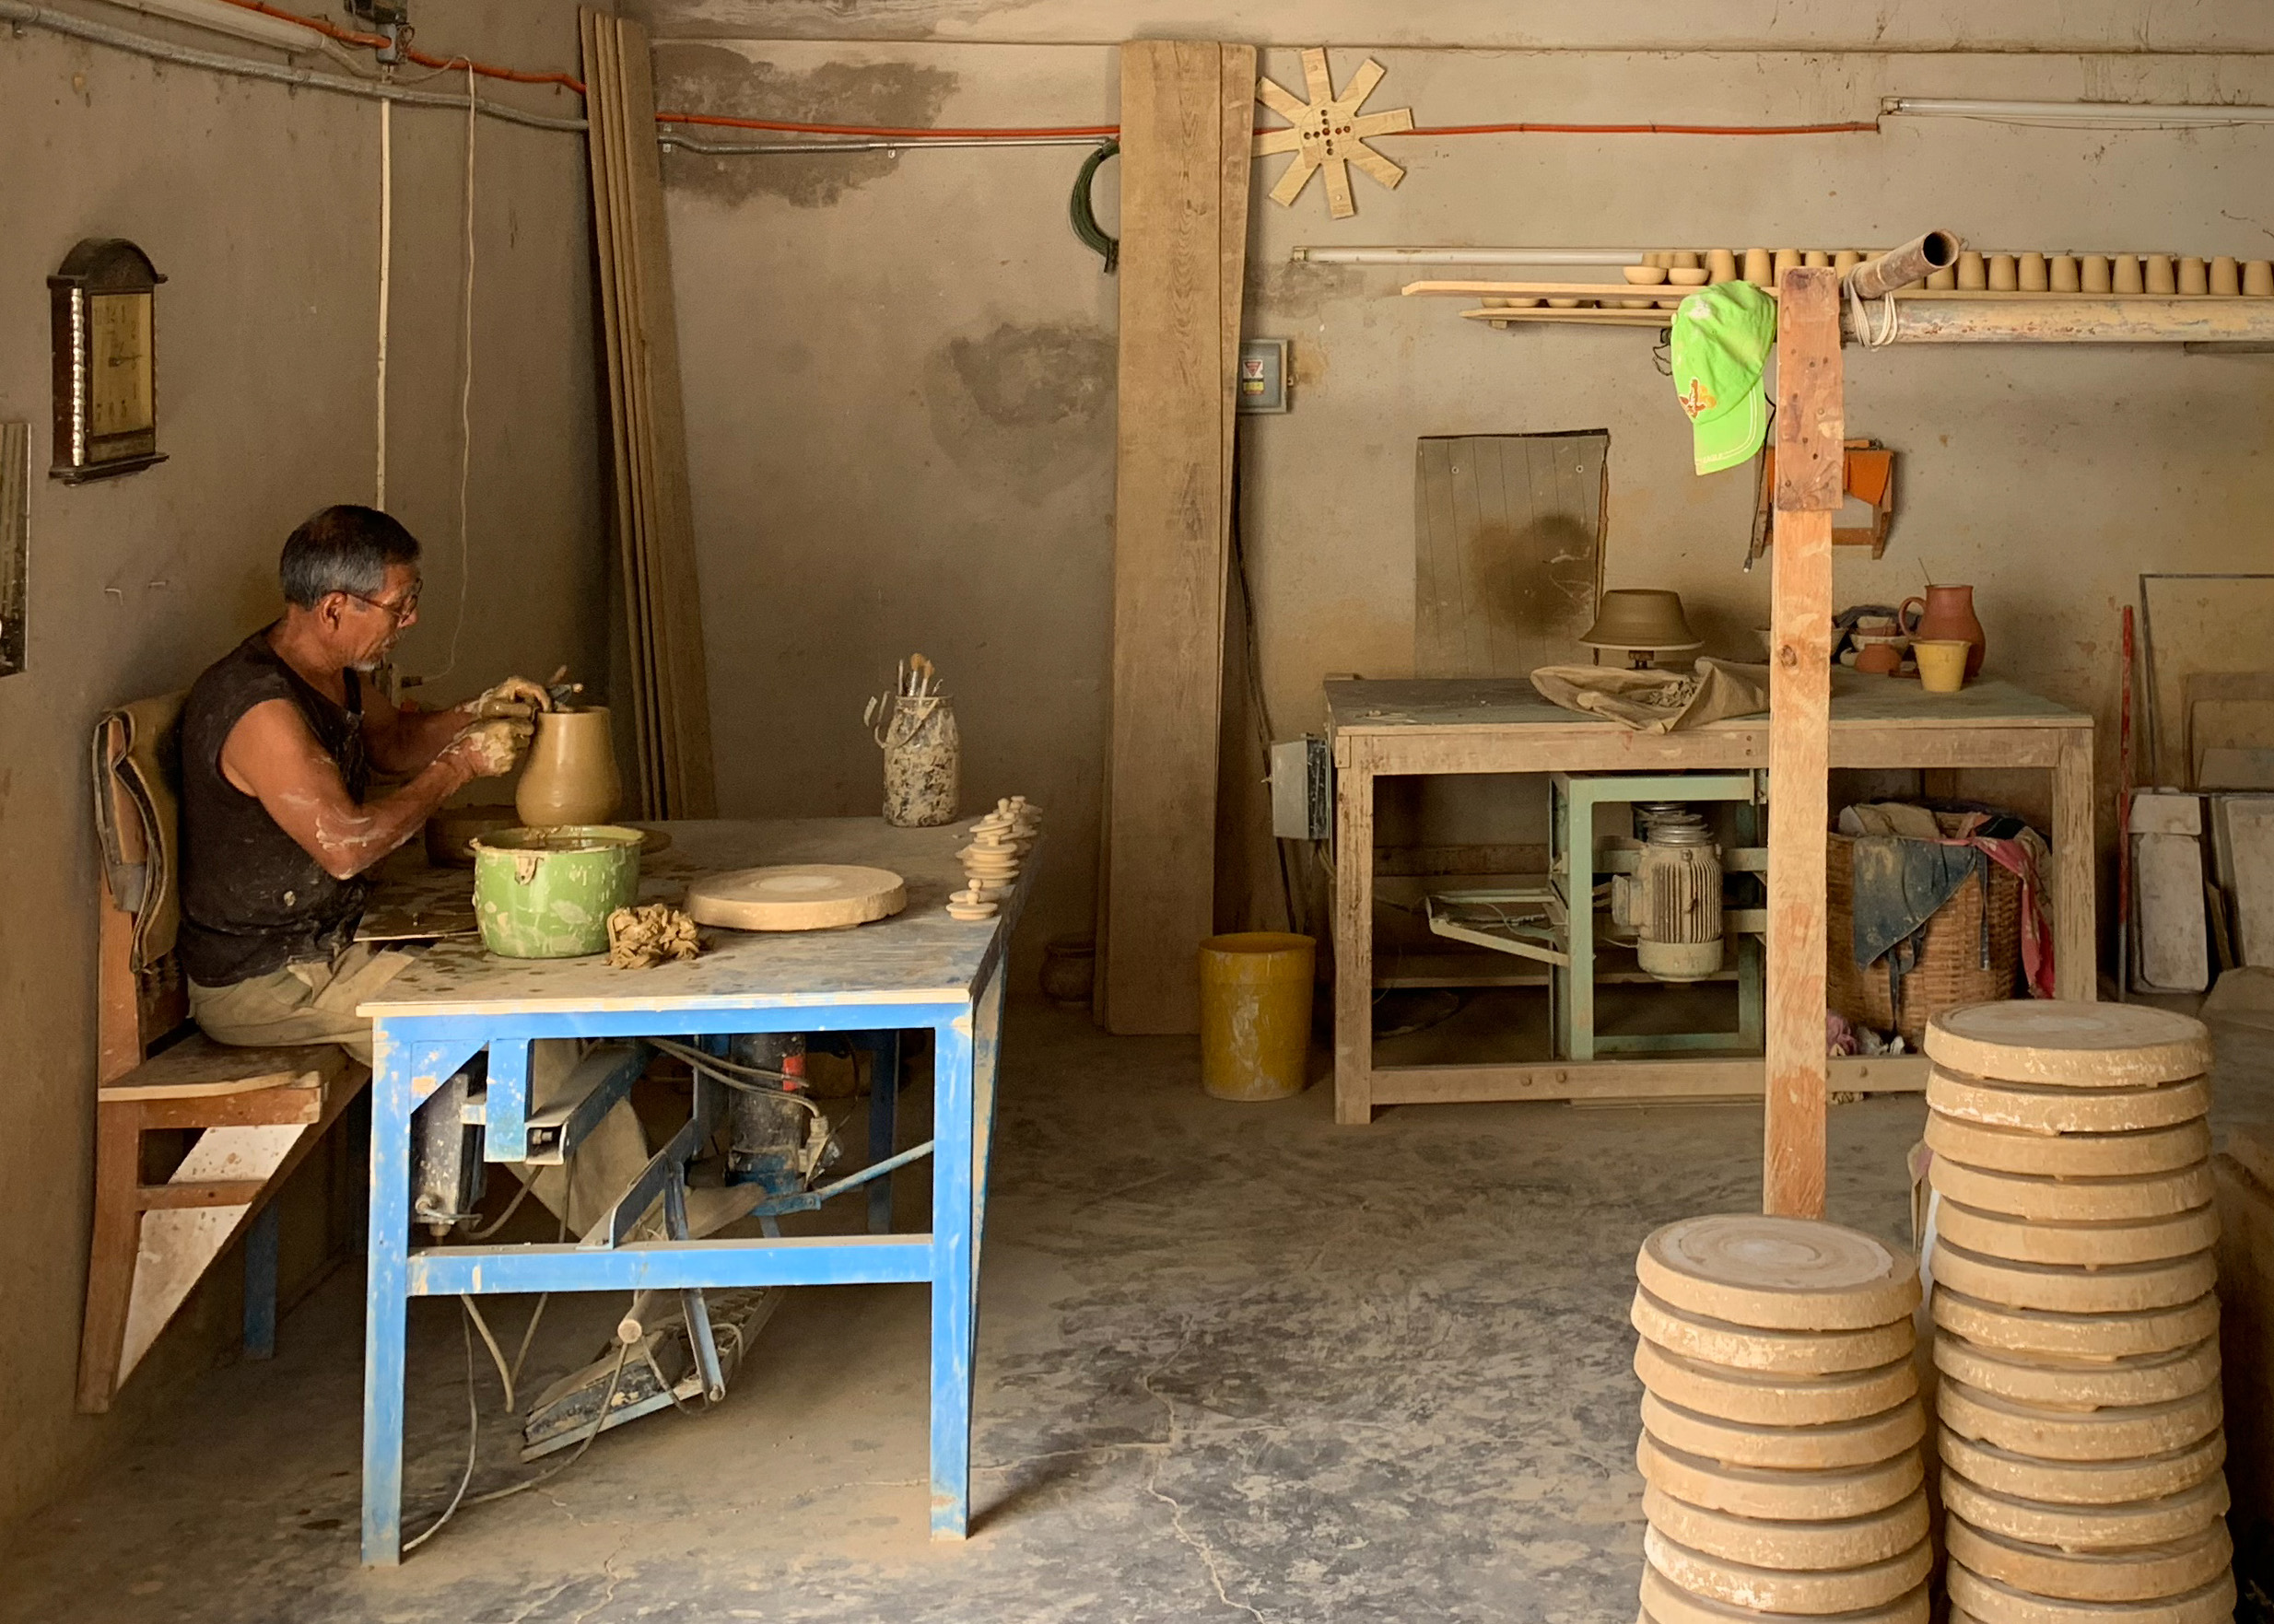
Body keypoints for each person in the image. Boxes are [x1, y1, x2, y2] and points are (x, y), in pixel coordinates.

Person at [179, 505, 553, 1064]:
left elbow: (394, 742)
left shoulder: (325, 671)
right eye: (398, 606)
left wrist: (474, 712)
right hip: (268, 978)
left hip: (334, 941)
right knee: (519, 1035)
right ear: (333, 609)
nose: (410, 619)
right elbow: (347, 846)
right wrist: (460, 766)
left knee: (538, 973)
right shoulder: (260, 709)